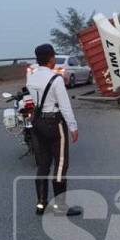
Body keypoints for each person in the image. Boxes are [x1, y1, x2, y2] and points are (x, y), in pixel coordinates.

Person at [27, 44, 80, 216]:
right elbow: (65, 106)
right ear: (51, 58)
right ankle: (60, 207)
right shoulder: (55, 79)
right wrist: (73, 126)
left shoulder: (31, 78)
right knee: (60, 164)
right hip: (55, 123)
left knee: (43, 164)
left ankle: (41, 204)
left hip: (38, 123)